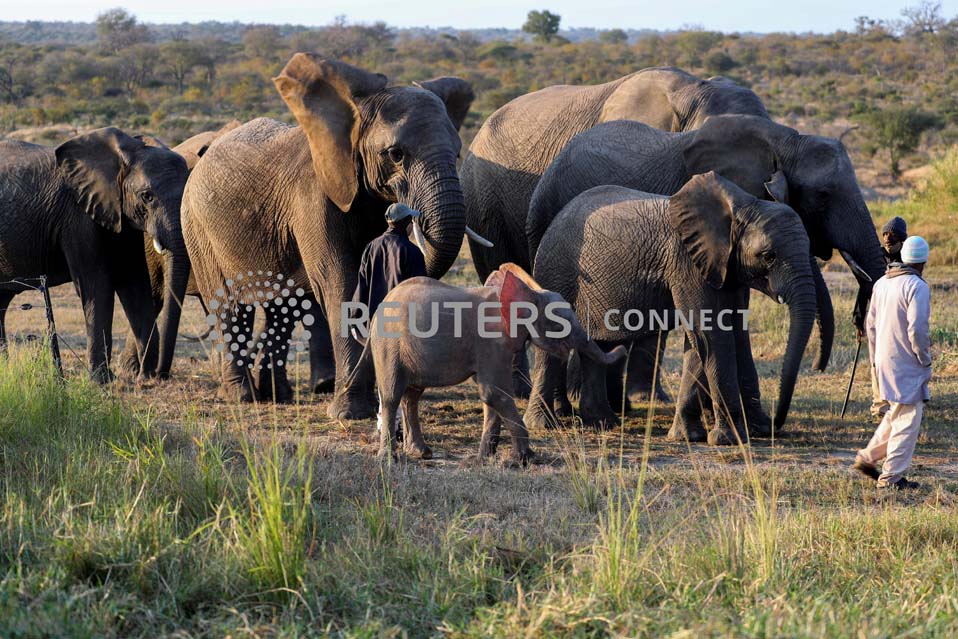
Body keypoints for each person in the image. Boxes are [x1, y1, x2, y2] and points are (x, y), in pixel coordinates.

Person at [852, 236, 931, 491]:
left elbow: (870, 325)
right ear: (923, 262)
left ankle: (867, 458)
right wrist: (924, 358)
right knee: (908, 419)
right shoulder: (917, 286)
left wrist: (875, 360)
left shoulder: (882, 283)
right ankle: (891, 478)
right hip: (906, 362)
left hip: (883, 359)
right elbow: (917, 329)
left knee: (896, 414)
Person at [351, 202, 428, 436]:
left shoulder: (371, 247)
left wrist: (356, 320)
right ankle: (394, 428)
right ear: (405, 223)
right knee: (403, 378)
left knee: (385, 374)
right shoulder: (412, 252)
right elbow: (419, 292)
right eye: (410, 221)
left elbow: (361, 287)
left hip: (375, 322)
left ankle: (384, 426)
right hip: (402, 323)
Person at [869, 216, 909, 421]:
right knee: (875, 361)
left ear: (901, 239)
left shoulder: (909, 260)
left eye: (891, 235)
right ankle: (879, 405)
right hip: (875, 316)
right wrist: (859, 317)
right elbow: (864, 286)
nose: (887, 238)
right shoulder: (876, 257)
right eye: (884, 233)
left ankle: (897, 403)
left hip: (897, 318)